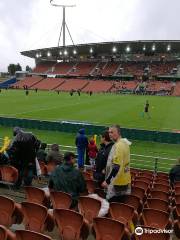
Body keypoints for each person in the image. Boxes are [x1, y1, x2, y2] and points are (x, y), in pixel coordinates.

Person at [102, 125, 131, 203]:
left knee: (113, 206)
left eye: (112, 132)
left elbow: (116, 167)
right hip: (124, 179)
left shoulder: (118, 146)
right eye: (109, 132)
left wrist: (107, 181)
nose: (110, 134)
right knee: (120, 206)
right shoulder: (125, 142)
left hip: (118, 182)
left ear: (118, 133)